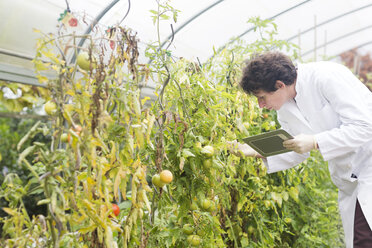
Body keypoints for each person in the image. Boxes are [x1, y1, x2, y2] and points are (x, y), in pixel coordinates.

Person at [229, 51, 372, 248]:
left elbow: (365, 127)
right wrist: (257, 150)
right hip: (351, 179)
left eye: (262, 97)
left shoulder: (325, 77)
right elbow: (296, 145)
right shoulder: (285, 106)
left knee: (363, 240)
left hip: (369, 166)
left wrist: (316, 141)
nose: (261, 105)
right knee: (360, 240)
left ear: (279, 85)